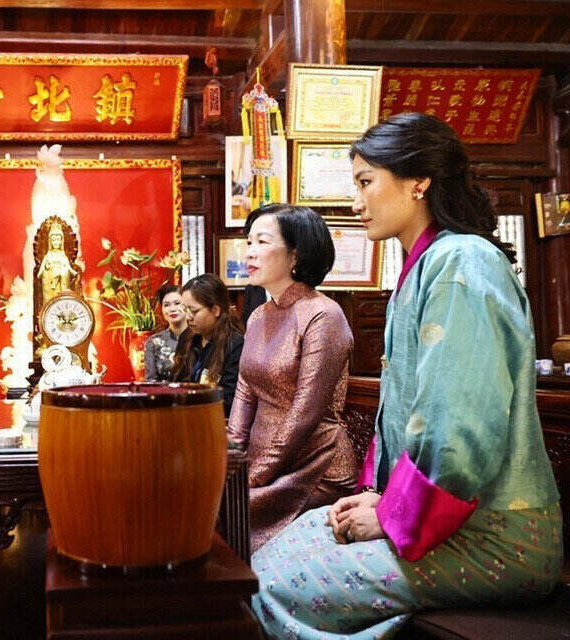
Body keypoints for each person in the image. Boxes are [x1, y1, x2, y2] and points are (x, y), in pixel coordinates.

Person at [252, 113, 562, 640]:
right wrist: (379, 498)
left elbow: (459, 426)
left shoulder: (462, 262)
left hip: (494, 536)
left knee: (271, 585)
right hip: (443, 520)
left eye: (365, 182)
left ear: (418, 181)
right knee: (276, 551)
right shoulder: (426, 265)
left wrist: (392, 516)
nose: (355, 202)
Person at [227, 204, 358, 554]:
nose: (249, 251)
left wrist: (255, 477)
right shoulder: (258, 316)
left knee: (220, 513)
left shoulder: (323, 315)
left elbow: (306, 412)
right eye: (249, 241)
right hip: (263, 464)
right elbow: (245, 394)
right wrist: (229, 460)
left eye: (262, 241)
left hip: (314, 467)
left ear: (295, 254)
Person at [171, 274, 244, 417]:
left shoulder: (235, 344)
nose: (188, 317)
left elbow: (229, 399)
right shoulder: (187, 337)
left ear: (215, 310)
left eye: (194, 311)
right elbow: (175, 382)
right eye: (185, 310)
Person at [143, 283, 186, 381]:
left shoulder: (199, 337)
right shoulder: (154, 342)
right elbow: (151, 381)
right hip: (162, 391)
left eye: (177, 303)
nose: (172, 309)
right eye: (166, 305)